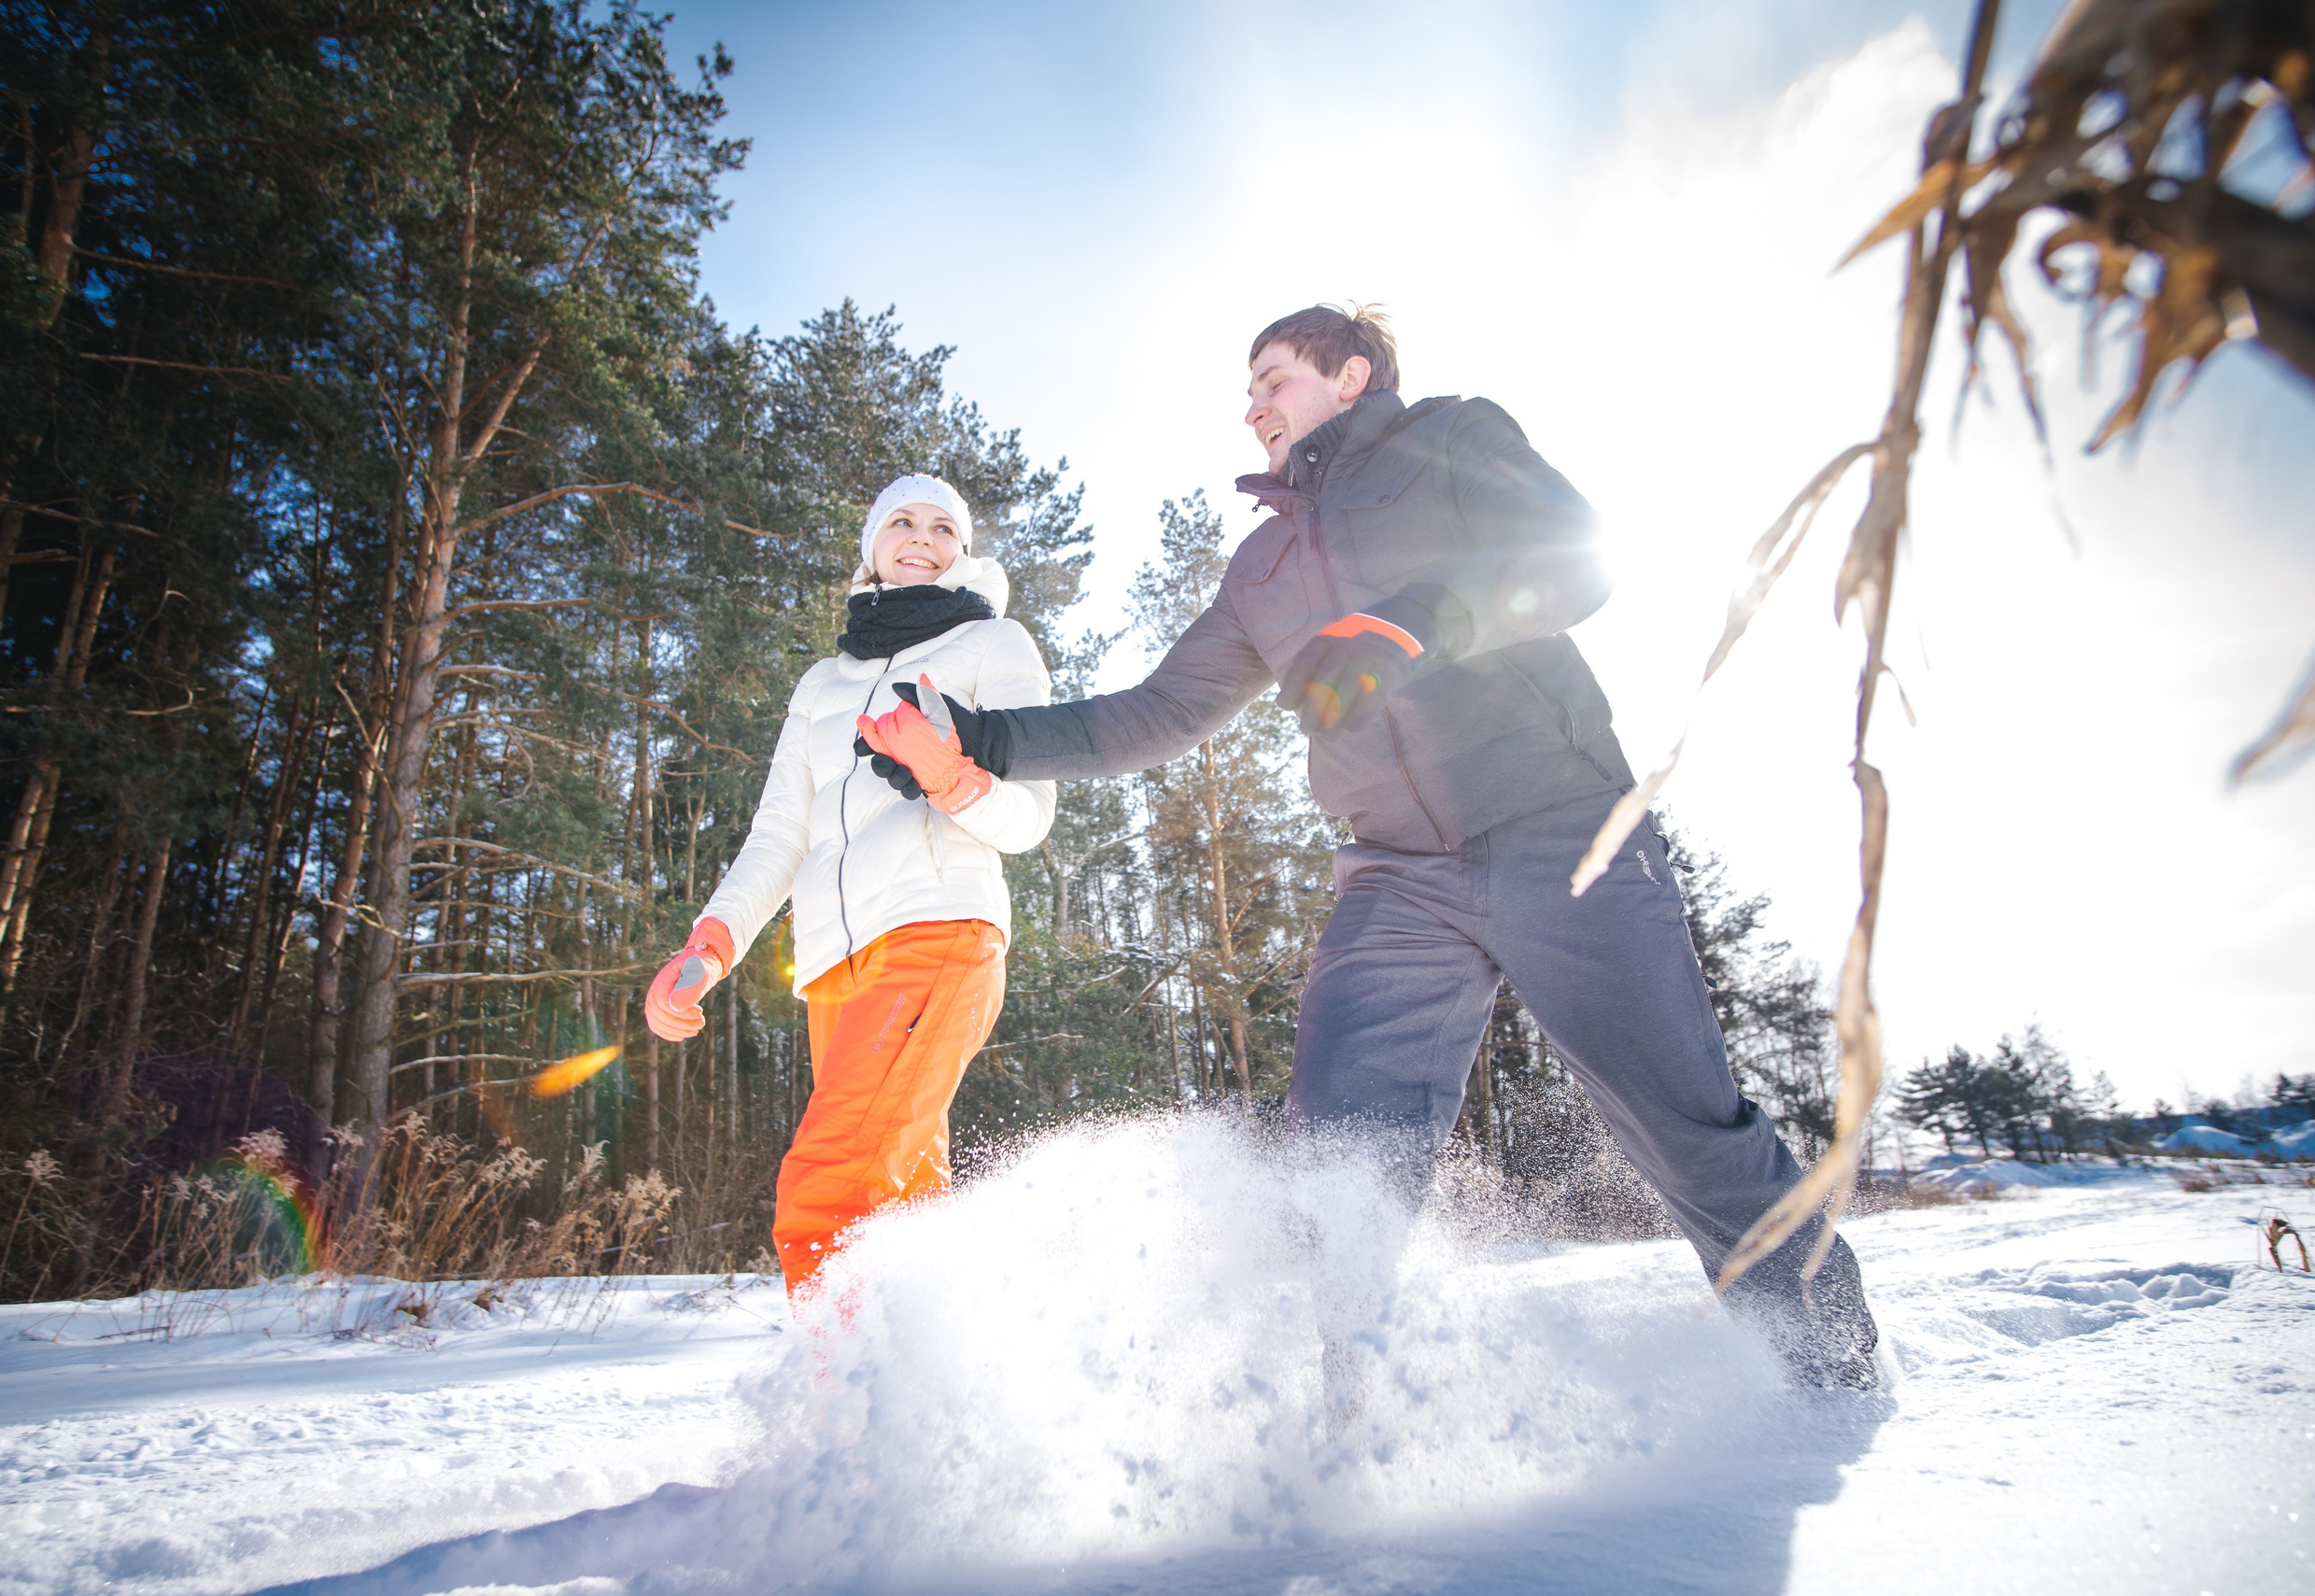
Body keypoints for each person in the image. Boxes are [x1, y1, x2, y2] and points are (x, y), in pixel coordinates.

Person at [857, 305, 1881, 1386]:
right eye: (1247, 391)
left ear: (1351, 376)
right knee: (1338, 1161)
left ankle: (1833, 1372)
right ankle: (1324, 1418)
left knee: (1682, 1122)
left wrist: (1413, 618)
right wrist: (975, 739)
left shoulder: (1451, 438)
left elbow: (1571, 563)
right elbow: (1155, 712)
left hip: (1560, 825)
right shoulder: (1262, 567)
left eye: (1274, 378)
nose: (1253, 406)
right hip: (1396, 872)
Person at [643, 474, 1055, 1295]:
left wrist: (949, 776)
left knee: (828, 1188)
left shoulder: (993, 644)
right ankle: (940, 1392)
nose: (921, 536)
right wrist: (711, 942)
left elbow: (1031, 818)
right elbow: (778, 835)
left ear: (961, 551)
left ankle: (842, 1406)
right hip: (835, 965)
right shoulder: (822, 682)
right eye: (901, 520)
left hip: (938, 929)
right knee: (899, 1206)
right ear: (871, 544)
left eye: (944, 527)